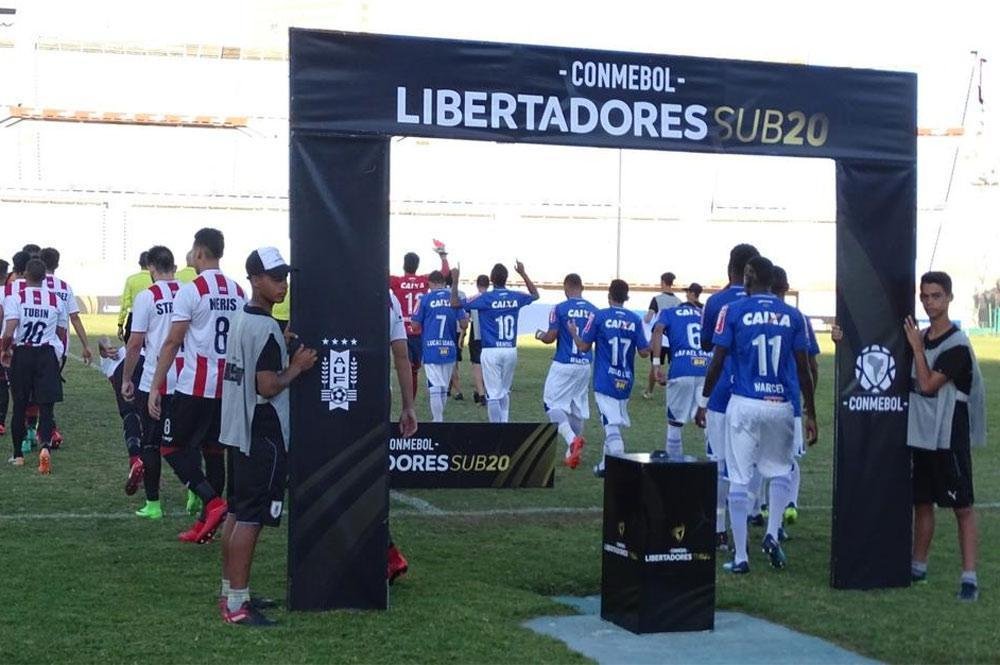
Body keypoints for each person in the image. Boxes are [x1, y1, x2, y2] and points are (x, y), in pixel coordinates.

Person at [695, 256, 817, 574]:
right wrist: (811, 412)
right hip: (780, 405)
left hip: (745, 402)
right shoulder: (793, 316)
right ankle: (772, 534)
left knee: (738, 476)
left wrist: (704, 399)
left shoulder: (731, 311)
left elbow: (718, 359)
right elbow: (804, 369)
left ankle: (740, 557)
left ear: (749, 276)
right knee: (779, 472)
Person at [218, 247, 317, 626]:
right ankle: (238, 607)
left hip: (239, 427)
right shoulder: (265, 329)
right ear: (255, 279)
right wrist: (296, 366)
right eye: (275, 278)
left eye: (285, 277)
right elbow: (269, 385)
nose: (283, 285)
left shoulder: (246, 318)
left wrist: (279, 337)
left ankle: (231, 593)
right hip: (264, 431)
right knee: (251, 519)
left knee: (237, 512)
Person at [147, 228, 246, 544]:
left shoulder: (192, 290)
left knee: (171, 446)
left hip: (196, 386)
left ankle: (213, 503)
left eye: (192, 250)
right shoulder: (237, 290)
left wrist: (154, 386)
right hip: (228, 386)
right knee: (214, 452)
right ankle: (207, 521)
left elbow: (174, 341)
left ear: (201, 253)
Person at [904, 271, 986, 602]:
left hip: (949, 434)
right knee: (922, 501)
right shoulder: (920, 336)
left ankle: (969, 578)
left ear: (949, 297)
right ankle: (917, 566)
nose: (929, 302)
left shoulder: (957, 345)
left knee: (961, 505)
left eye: (936, 295)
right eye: (924, 296)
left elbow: (926, 385)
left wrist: (917, 350)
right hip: (921, 433)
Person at [699, 243, 759, 550]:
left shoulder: (717, 302)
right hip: (757, 392)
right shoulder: (765, 304)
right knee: (752, 462)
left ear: (729, 268)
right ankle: (751, 515)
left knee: (719, 461)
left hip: (723, 393)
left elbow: (708, 345)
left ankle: (720, 529)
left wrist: (703, 401)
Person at [121, 245, 181, 519]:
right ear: (175, 266)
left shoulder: (148, 296)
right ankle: (196, 493)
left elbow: (135, 343)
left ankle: (154, 504)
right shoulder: (189, 292)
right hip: (187, 378)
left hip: (155, 378)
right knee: (189, 442)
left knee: (151, 442)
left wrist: (126, 378)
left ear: (151, 268)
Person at [568, 279, 650, 477]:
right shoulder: (635, 319)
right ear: (627, 297)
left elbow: (584, 347)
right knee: (613, 420)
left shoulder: (599, 316)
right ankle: (605, 466)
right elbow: (644, 352)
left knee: (610, 425)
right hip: (626, 381)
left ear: (609, 295)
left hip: (605, 380)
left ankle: (619, 465)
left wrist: (573, 333)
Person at [1, 258, 67, 472]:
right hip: (46, 353)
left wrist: (4, 349)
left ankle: (18, 455)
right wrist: (58, 353)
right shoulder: (56, 299)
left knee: (19, 405)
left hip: (24, 353)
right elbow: (61, 332)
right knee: (46, 406)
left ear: (26, 275)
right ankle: (45, 448)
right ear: (45, 278)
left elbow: (10, 330)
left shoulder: (16, 297)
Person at [453, 261, 539, 423]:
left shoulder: (485, 298)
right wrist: (523, 273)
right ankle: (504, 424)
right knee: (504, 391)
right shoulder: (515, 296)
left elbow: (455, 303)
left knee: (493, 393)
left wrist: (456, 280)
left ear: (492, 279)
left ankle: (497, 429)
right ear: (506, 278)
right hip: (510, 349)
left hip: (491, 349)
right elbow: (535, 295)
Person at [768, 266, 820, 530]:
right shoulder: (799, 318)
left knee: (755, 458)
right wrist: (809, 405)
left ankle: (760, 510)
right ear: (786, 288)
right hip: (788, 400)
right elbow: (811, 367)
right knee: (787, 458)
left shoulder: (750, 313)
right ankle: (789, 504)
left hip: (753, 397)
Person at [535, 273, 598, 469]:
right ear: (582, 287)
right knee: (576, 408)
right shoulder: (594, 311)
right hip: (585, 364)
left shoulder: (559, 308)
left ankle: (572, 440)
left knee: (551, 404)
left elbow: (551, 337)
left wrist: (539, 335)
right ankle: (572, 452)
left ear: (565, 288)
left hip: (563, 363)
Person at [650, 296, 712, 460]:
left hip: (681, 369)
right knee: (710, 424)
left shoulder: (670, 312)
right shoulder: (705, 314)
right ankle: (716, 470)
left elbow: (657, 330)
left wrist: (656, 364)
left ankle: (673, 471)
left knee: (675, 424)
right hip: (707, 371)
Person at [389, 242, 450, 398]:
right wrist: (443, 256)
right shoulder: (424, 281)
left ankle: (402, 398)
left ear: (404, 265)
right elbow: (443, 273)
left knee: (403, 365)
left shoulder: (396, 281)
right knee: (414, 370)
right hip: (418, 329)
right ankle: (411, 401)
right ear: (417, 266)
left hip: (401, 330)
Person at [388, 289, 419, 583]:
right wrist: (408, 406)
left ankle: (387, 553)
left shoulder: (334, 281)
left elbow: (400, 354)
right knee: (367, 478)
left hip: (339, 394)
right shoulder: (388, 296)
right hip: (373, 397)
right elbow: (401, 354)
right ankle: (388, 554)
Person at [410, 270, 467, 422]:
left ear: (431, 283)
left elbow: (414, 325)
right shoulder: (453, 299)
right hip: (449, 347)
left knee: (435, 386)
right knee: (443, 387)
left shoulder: (425, 299)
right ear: (443, 282)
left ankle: (437, 420)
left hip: (431, 347)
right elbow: (464, 323)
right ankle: (438, 419)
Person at [97, 336, 144, 493]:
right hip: (151, 366)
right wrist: (105, 345)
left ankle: (135, 458)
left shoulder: (116, 356)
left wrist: (105, 345)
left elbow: (103, 340)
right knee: (152, 426)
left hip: (124, 371)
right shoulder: (118, 354)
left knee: (130, 415)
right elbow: (103, 341)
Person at [643, 272, 681, 399]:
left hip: (658, 338)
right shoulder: (678, 301)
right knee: (674, 366)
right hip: (673, 339)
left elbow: (648, 318)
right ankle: (674, 392)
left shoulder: (657, 299)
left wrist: (644, 319)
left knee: (655, 365)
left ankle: (649, 392)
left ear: (663, 282)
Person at [118, 250, 152, 341]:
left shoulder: (131, 280)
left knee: (132, 349)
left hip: (134, 318)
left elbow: (125, 304)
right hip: (152, 318)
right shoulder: (155, 279)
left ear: (139, 263)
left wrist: (120, 324)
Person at [467, 274, 490, 405]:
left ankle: (480, 394)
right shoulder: (492, 299)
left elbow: (466, 315)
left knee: (476, 364)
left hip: (476, 335)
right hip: (489, 336)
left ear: (477, 285)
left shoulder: (473, 299)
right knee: (487, 364)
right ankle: (482, 391)